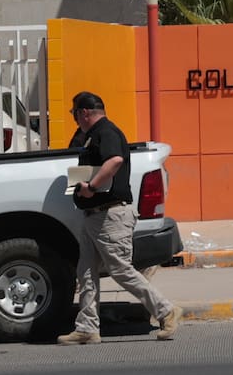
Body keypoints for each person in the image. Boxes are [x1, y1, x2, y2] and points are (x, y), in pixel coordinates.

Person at [57, 91, 182, 345]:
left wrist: (91, 186)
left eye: (74, 115)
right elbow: (76, 153)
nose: (75, 120)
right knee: (86, 273)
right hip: (94, 216)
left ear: (84, 113)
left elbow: (114, 160)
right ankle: (87, 328)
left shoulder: (107, 132)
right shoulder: (92, 135)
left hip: (110, 216)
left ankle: (166, 310)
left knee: (120, 270)